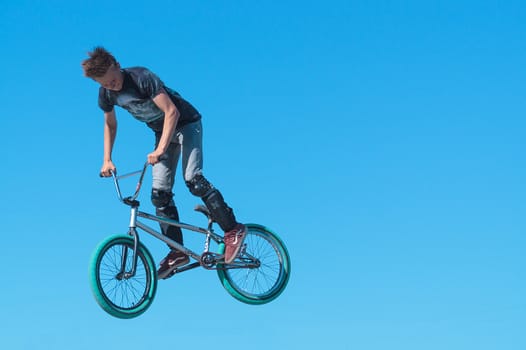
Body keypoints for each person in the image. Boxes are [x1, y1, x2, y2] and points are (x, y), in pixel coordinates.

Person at [82, 47, 246, 279]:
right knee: (159, 194)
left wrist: (160, 149)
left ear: (117, 65)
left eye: (114, 80)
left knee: (194, 180)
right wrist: (107, 159)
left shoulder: (141, 78)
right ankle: (177, 252)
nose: (112, 86)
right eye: (106, 84)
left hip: (186, 124)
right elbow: (110, 124)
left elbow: (171, 112)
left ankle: (233, 229)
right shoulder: (107, 94)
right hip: (163, 134)